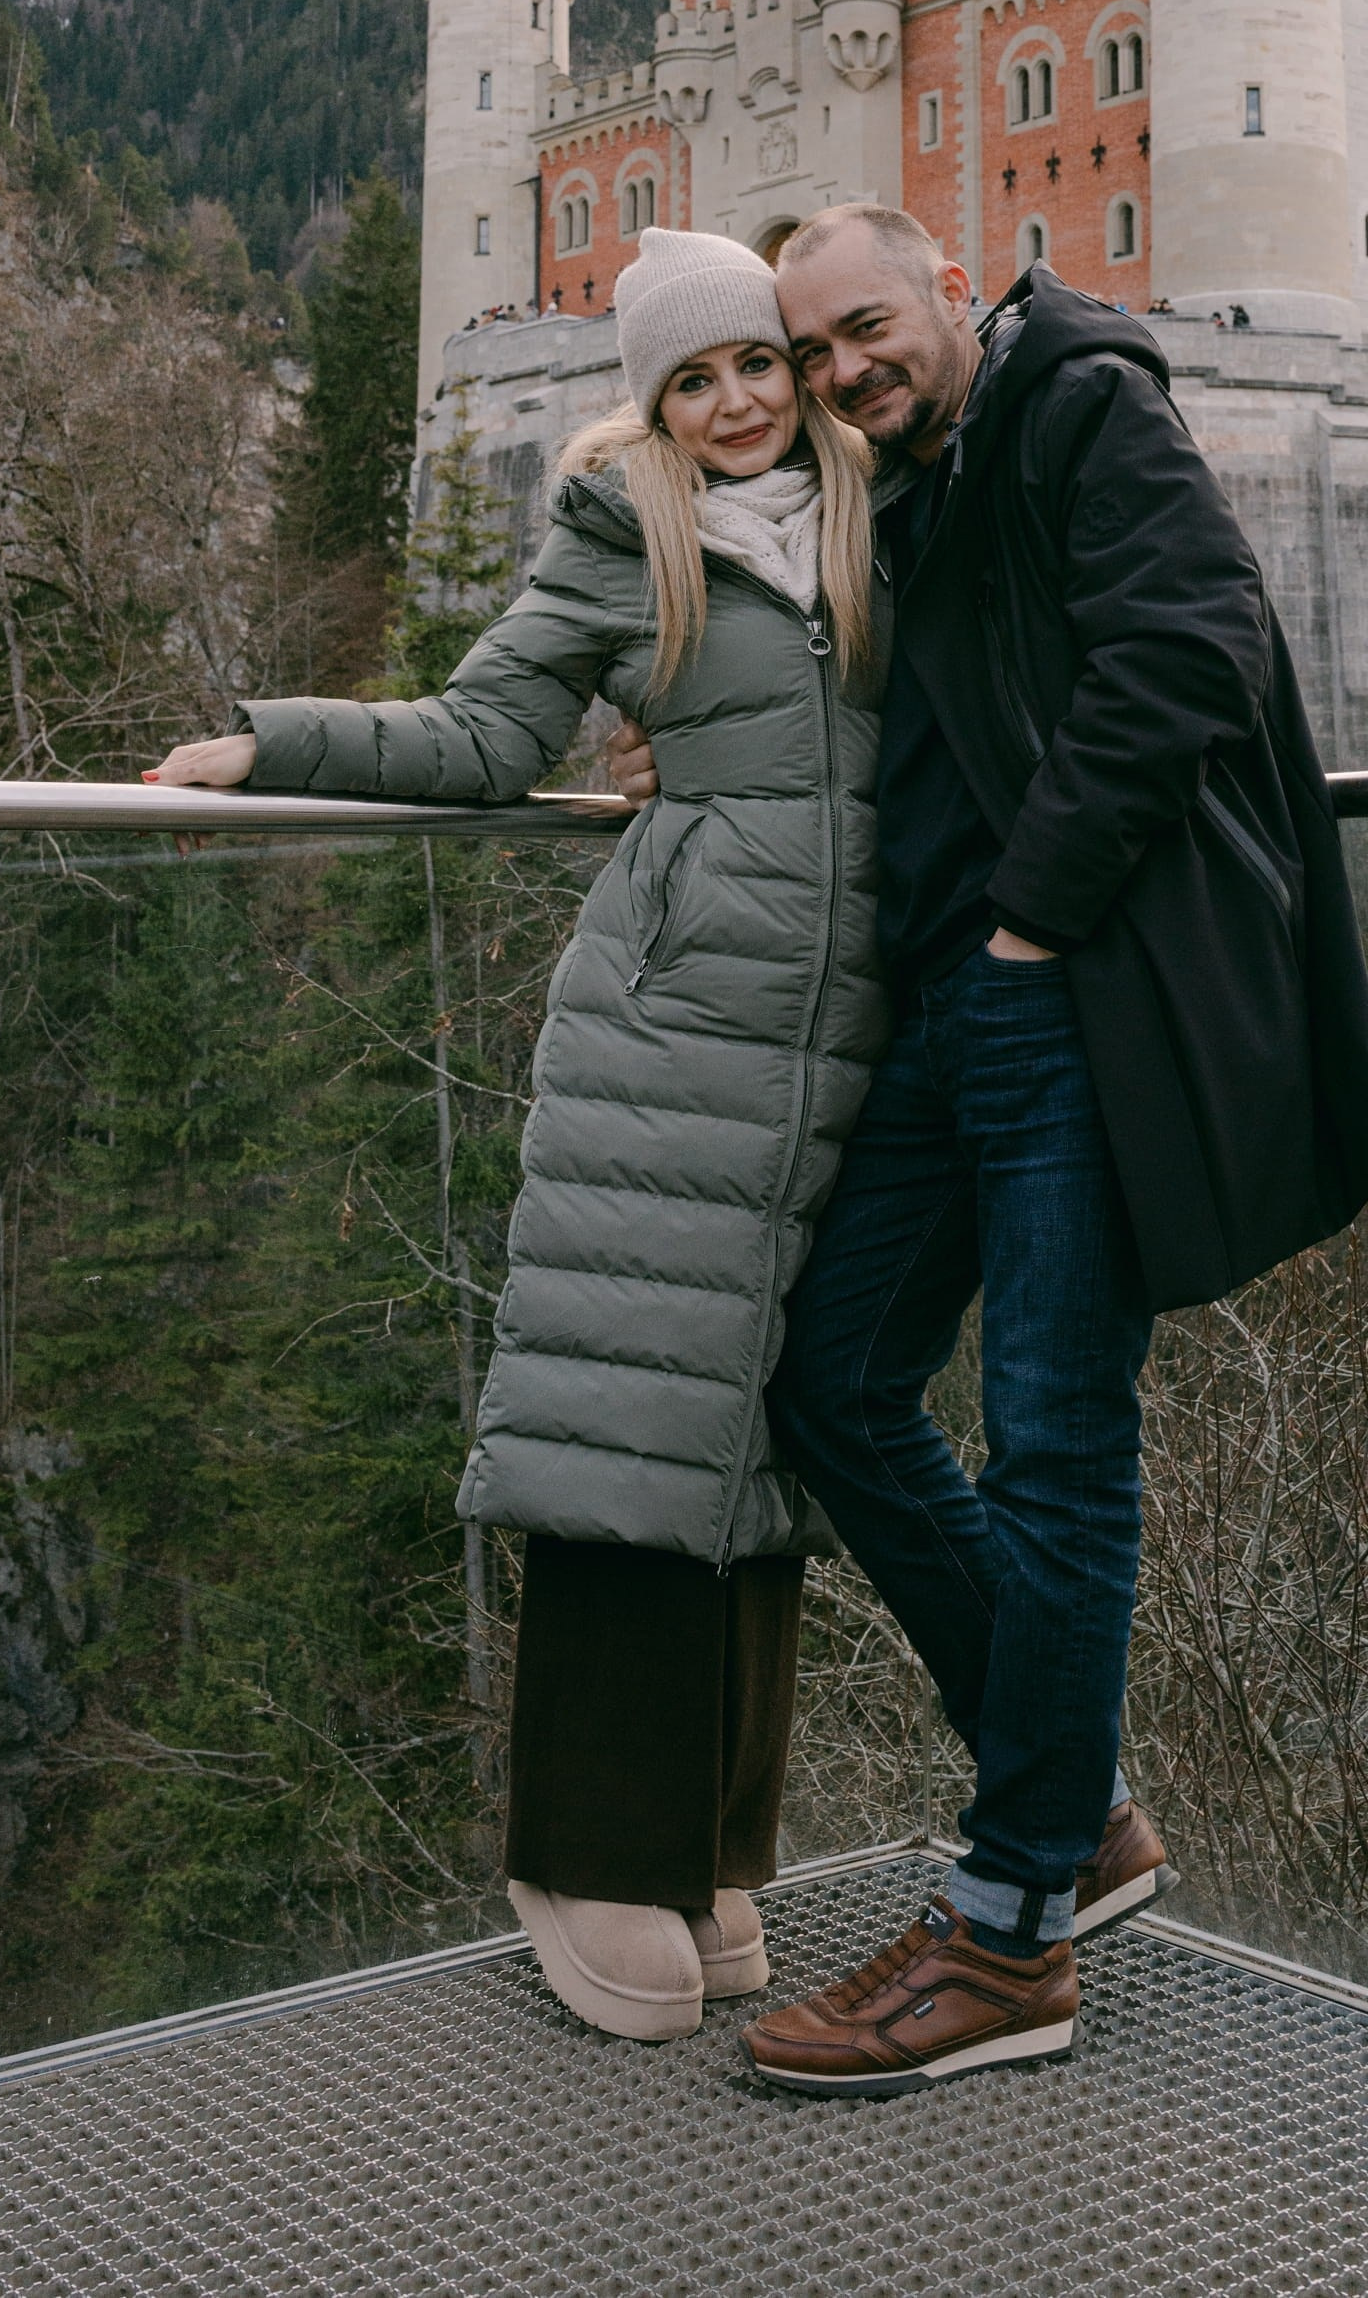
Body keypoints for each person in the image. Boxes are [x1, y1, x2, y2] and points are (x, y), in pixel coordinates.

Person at [607, 207, 1368, 2093]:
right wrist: (664, 745)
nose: (836, 374)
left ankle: (1011, 1934)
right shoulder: (907, 481)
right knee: (833, 1379)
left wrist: (1037, 915)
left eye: (860, 328)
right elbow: (846, 710)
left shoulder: (1082, 405)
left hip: (1069, 994)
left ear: (954, 291)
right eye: (807, 353)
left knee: (1057, 1442)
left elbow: (1197, 641)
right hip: (955, 1011)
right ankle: (1076, 1811)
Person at [144, 229, 886, 2046]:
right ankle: (582, 1854)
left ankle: (715, 1847)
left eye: (753, 368)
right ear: (648, 404)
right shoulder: (621, 538)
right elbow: (487, 735)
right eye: (689, 380)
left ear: (796, 374)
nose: (731, 404)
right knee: (628, 1425)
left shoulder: (883, 518)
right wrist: (277, 744)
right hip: (674, 1034)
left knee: (772, 1443)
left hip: (858, 1051)